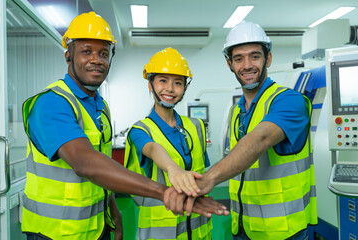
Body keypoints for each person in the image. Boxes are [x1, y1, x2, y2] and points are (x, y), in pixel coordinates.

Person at [21, 12, 228, 240]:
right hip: (54, 233)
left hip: (97, 229)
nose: (96, 60)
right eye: (86, 51)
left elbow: (102, 165)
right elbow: (85, 163)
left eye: (103, 53)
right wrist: (164, 191)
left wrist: (113, 212)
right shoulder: (51, 103)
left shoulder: (100, 107)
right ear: (68, 55)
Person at [165, 21, 318, 240]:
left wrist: (207, 180)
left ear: (268, 59)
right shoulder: (237, 111)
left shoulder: (290, 101)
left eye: (255, 56)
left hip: (283, 232)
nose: (247, 65)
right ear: (230, 64)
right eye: (239, 58)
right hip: (244, 227)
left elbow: (260, 139)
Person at [124, 47, 213, 240]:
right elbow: (153, 148)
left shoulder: (196, 126)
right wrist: (172, 168)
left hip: (200, 232)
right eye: (163, 81)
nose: (170, 89)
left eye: (178, 83)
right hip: (160, 233)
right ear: (150, 84)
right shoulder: (140, 130)